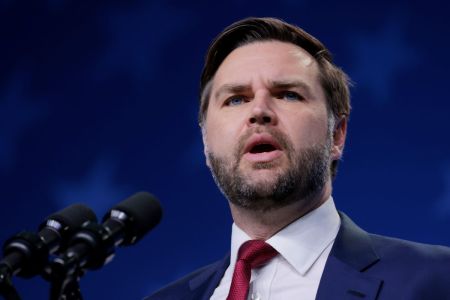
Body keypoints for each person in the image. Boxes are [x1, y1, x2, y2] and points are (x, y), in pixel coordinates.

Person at [145, 17, 450, 300]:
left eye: (288, 94)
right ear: (205, 141)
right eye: (236, 99)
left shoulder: (437, 278)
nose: (259, 111)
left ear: (337, 135)